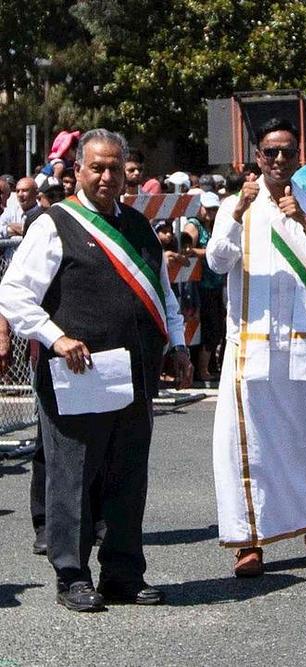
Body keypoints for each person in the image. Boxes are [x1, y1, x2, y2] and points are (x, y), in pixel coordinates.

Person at [0, 128, 192, 612]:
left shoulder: (139, 225)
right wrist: (56, 337)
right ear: (78, 171)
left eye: (114, 167)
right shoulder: (54, 223)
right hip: (77, 373)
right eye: (96, 168)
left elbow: (164, 295)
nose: (107, 177)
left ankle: (123, 574)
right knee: (73, 474)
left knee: (128, 474)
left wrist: (181, 345)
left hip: (134, 372)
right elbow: (14, 293)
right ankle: (72, 574)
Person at [206, 118, 306, 577]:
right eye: (271, 152)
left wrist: (305, 222)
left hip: (301, 341)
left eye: (288, 152)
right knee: (248, 442)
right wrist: (237, 211)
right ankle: (249, 538)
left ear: (298, 156)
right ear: (257, 156)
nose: (280, 160)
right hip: (250, 341)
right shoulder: (237, 203)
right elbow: (216, 261)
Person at [184, 191, 225, 380]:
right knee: (210, 328)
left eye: (214, 209)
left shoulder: (215, 226)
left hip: (216, 284)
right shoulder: (194, 226)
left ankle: (207, 368)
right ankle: (202, 371)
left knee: (217, 328)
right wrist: (209, 252)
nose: (211, 212)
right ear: (200, 208)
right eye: (208, 209)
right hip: (200, 286)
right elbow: (186, 248)